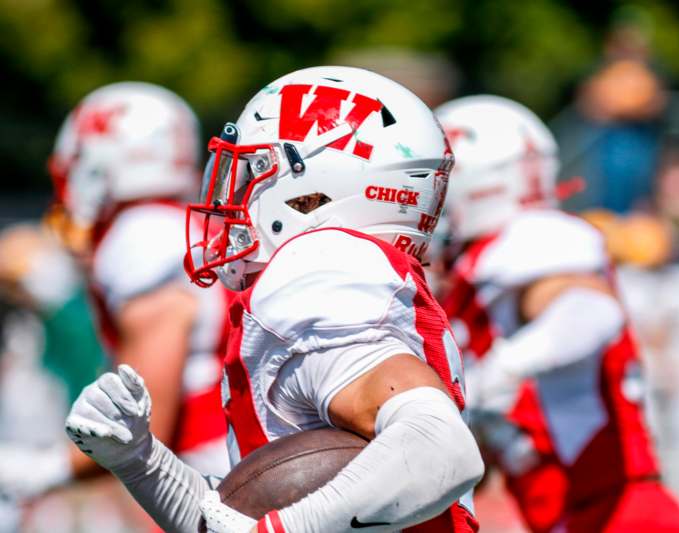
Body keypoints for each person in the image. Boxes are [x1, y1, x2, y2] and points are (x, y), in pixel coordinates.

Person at [64, 66, 484, 533]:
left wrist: (282, 530)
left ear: (313, 191)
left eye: (253, 172)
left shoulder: (318, 273)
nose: (234, 195)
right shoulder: (334, 281)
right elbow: (231, 516)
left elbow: (440, 446)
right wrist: (140, 460)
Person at [435, 95, 679, 532]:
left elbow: (590, 309)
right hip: (570, 515)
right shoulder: (475, 270)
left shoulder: (529, 241)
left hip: (615, 512)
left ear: (479, 182)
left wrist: (505, 368)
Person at [0, 82, 231, 504]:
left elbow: (138, 426)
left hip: (222, 473)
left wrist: (34, 470)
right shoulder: (175, 226)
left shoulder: (141, 236)